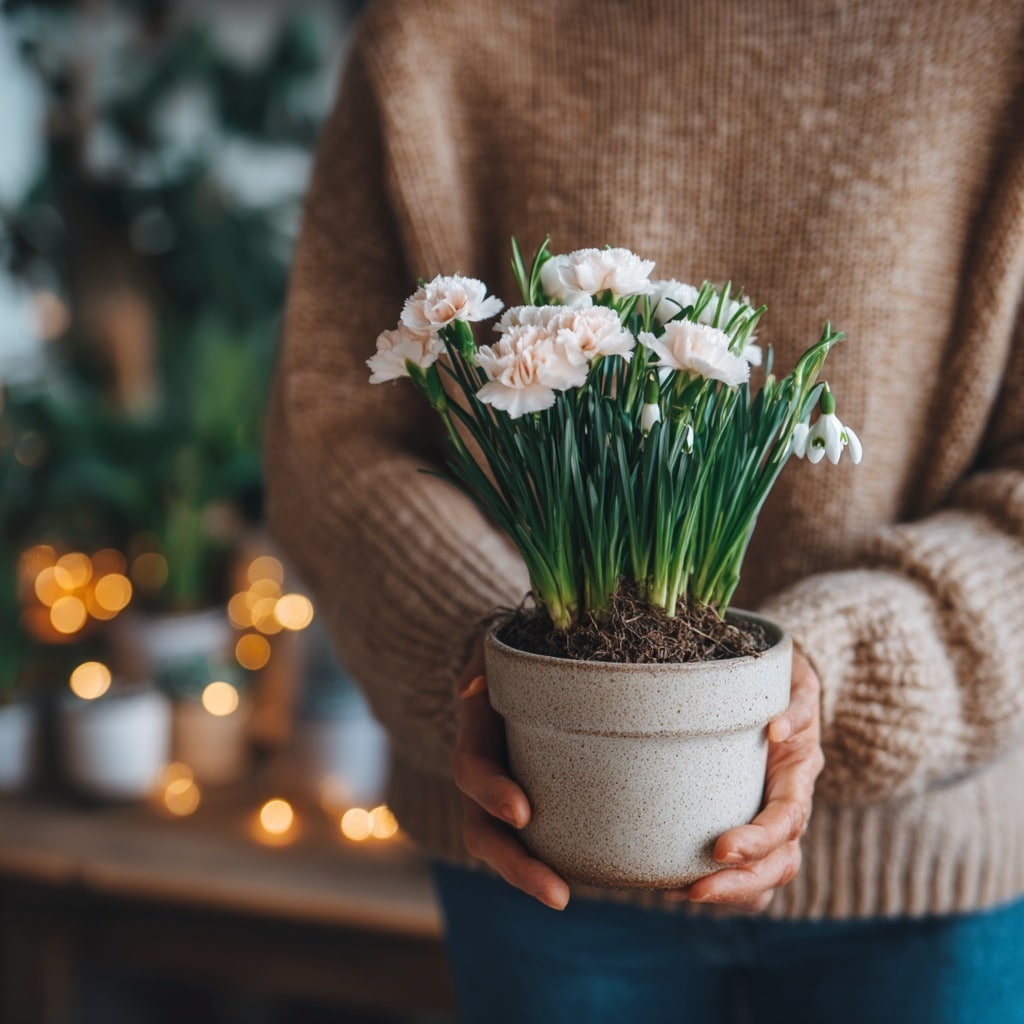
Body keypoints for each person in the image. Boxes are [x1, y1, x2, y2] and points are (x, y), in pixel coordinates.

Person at [264, 0, 1024, 1020]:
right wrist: (497, 660)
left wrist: (828, 678)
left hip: (929, 870)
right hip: (536, 848)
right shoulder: (436, 26)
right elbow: (333, 434)